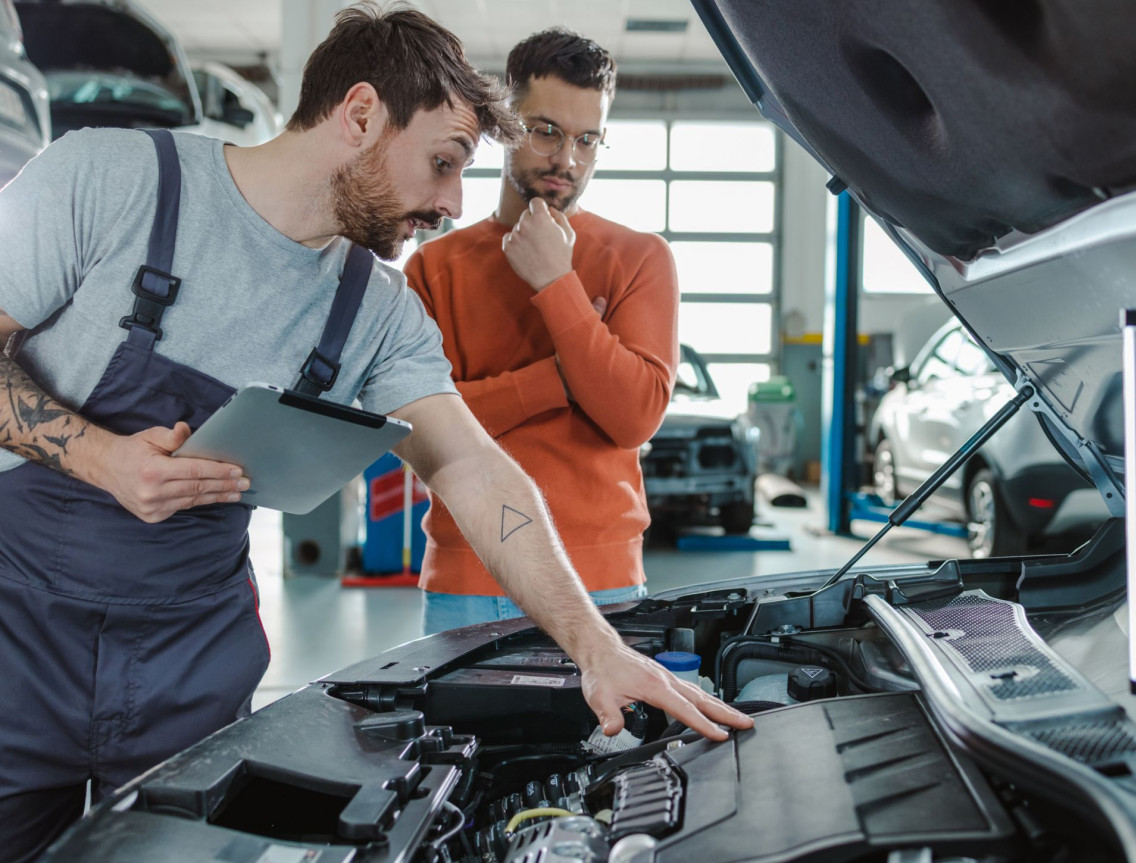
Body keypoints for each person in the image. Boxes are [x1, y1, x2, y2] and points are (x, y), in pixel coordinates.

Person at [0, 4, 751, 858]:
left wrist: (595, 644)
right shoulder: (109, 179)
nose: (452, 202)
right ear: (360, 114)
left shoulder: (376, 309)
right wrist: (99, 458)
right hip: (17, 636)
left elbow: (471, 466)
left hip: (189, 658)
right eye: (442, 163)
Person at [407, 28, 678, 633]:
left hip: (604, 584)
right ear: (504, 122)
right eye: (546, 131)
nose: (567, 161)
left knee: (605, 736)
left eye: (588, 140)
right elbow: (424, 438)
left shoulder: (639, 258)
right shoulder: (433, 267)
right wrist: (562, 378)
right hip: (467, 580)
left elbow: (633, 416)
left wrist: (556, 282)